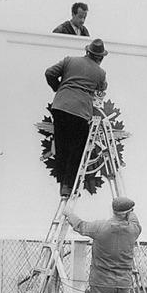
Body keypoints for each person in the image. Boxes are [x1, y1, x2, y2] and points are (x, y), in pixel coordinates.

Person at [64, 196, 141, 293]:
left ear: (113, 211)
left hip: (102, 284)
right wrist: (129, 210)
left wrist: (68, 212)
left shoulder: (100, 227)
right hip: (124, 285)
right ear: (128, 213)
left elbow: (79, 225)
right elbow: (134, 218)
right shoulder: (133, 230)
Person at [45, 39, 108, 196]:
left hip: (60, 106)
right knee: (77, 149)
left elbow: (49, 73)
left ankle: (62, 185)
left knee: (61, 146)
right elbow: (102, 87)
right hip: (80, 112)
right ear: (100, 57)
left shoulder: (69, 60)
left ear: (87, 52)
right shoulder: (100, 73)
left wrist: (59, 88)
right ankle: (69, 185)